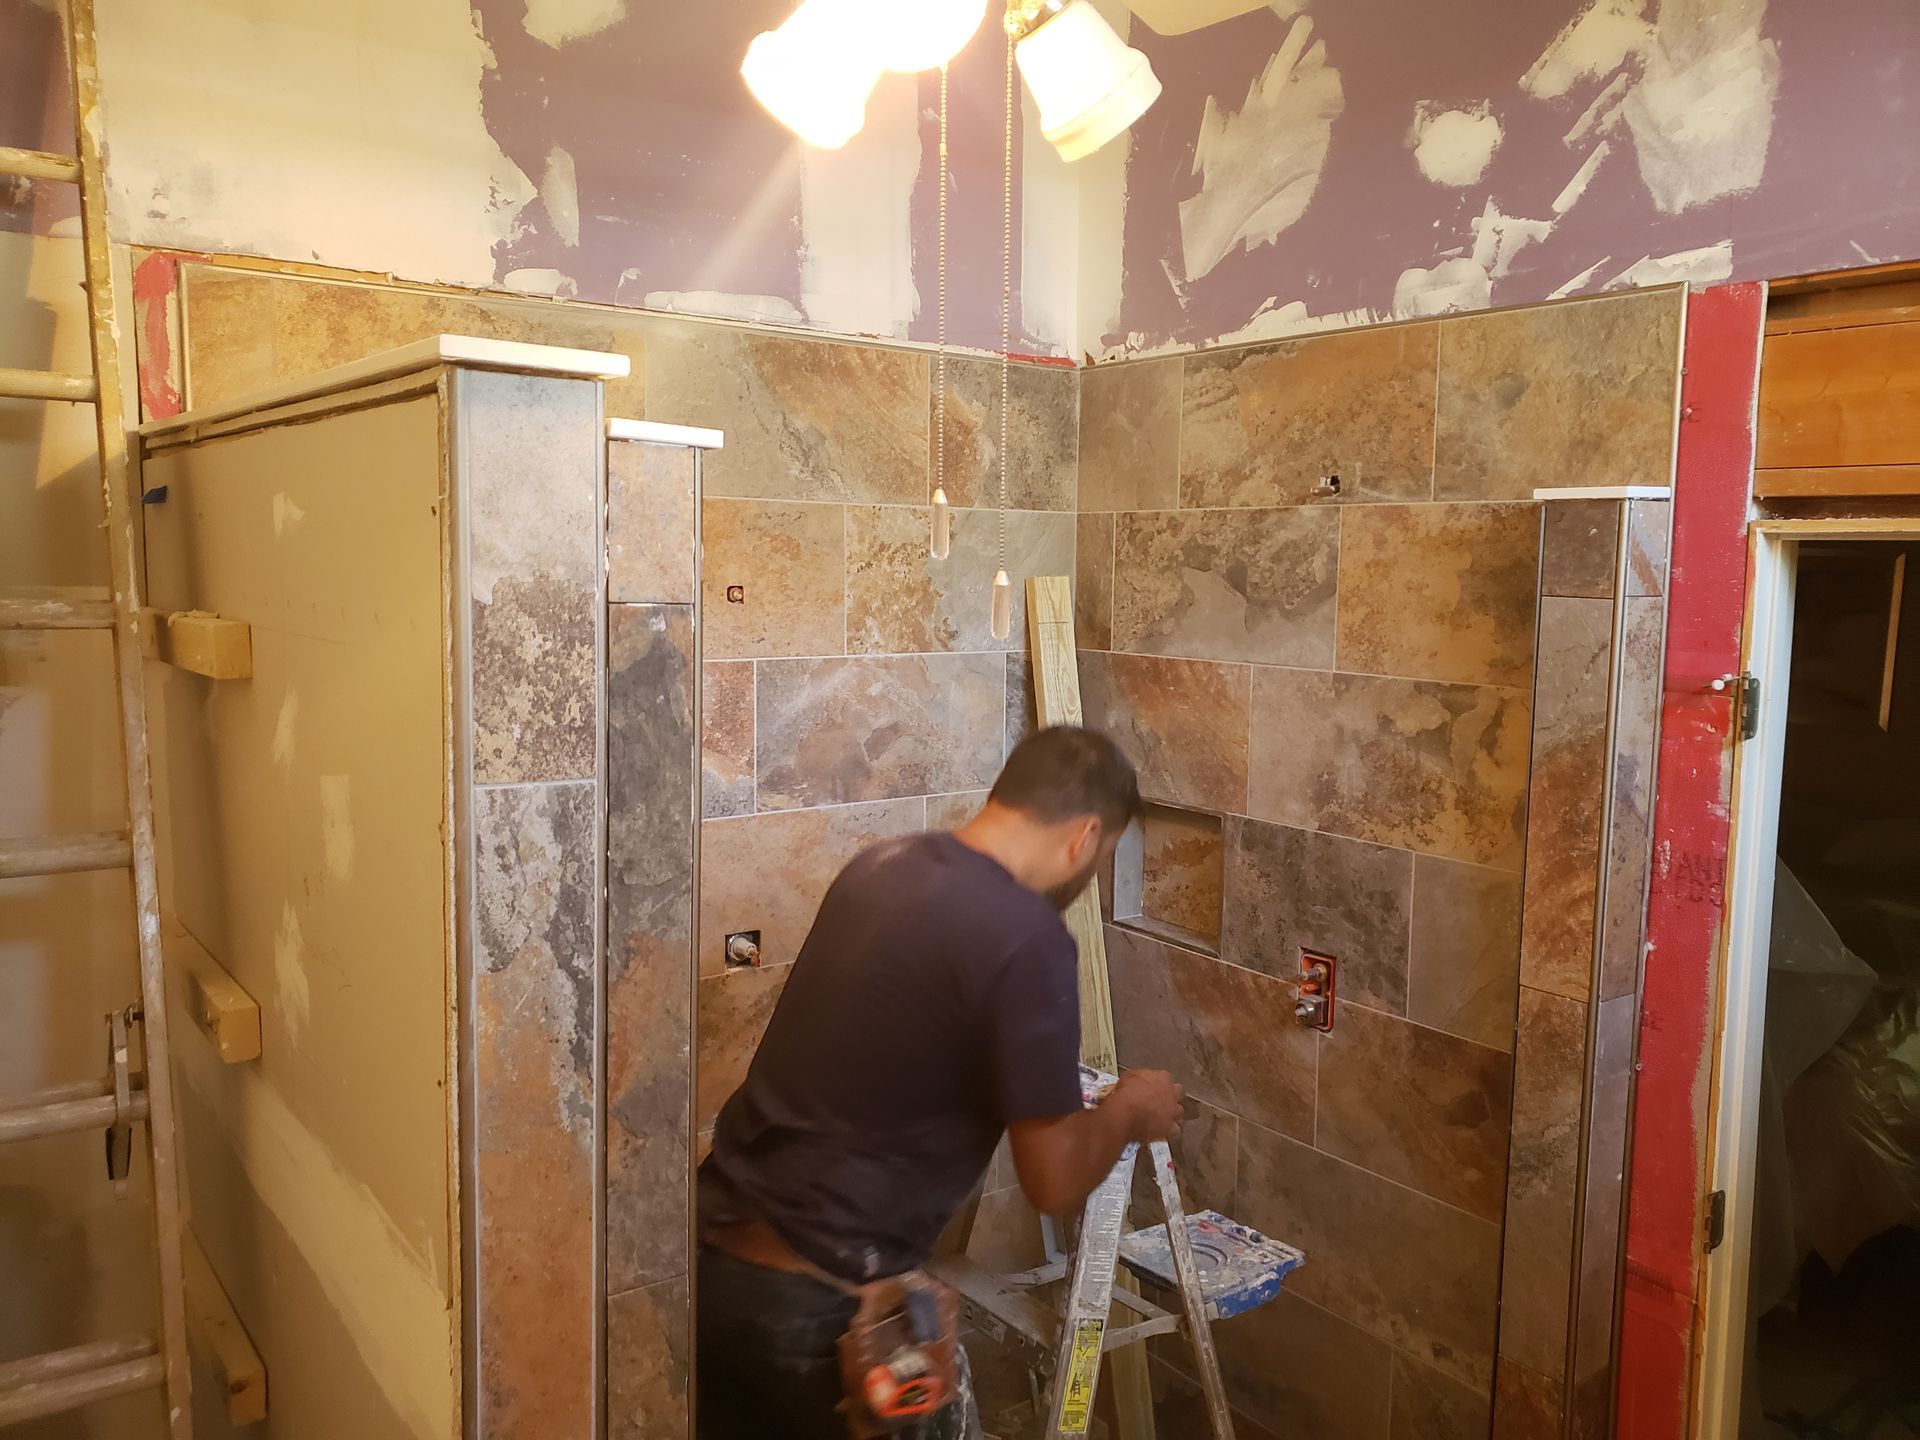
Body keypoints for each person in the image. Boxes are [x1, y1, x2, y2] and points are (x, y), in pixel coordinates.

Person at [695, 725, 1186, 1440]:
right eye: (1104, 857)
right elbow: (1049, 1182)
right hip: (814, 1314)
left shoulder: (881, 867)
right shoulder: (1029, 938)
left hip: (715, 1271)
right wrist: (1128, 1110)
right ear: (1083, 838)